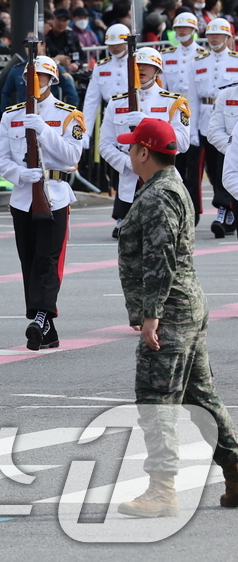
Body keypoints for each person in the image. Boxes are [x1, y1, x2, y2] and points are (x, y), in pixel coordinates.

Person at [115, 116, 238, 517]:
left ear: (145, 152)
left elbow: (161, 257)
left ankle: (162, 490)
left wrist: (152, 315)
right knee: (199, 397)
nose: (129, 152)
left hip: (171, 313)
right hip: (185, 307)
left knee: (156, 401)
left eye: (133, 146)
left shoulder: (157, 196)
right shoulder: (169, 187)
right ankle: (236, 470)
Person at [0, 56, 86, 350]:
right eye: (28, 78)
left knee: (48, 260)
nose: (32, 83)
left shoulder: (68, 115)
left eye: (40, 78)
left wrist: (44, 130)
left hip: (54, 195)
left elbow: (72, 157)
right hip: (23, 196)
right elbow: (1, 160)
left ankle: (40, 318)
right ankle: (46, 326)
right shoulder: (11, 116)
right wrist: (20, 174)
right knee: (30, 260)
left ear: (52, 80)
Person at [101, 47, 191, 226]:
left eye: (147, 65)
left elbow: (182, 143)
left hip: (163, 178)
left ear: (157, 69)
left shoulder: (173, 102)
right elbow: (105, 144)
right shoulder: (117, 102)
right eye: (137, 65)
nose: (141, 69)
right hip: (129, 181)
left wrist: (148, 123)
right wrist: (128, 162)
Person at [161, 11, 207, 215]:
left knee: (193, 167)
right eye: (178, 28)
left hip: (194, 110)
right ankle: (176, 207)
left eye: (185, 28)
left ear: (194, 30)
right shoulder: (167, 55)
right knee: (173, 164)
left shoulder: (202, 55)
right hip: (172, 112)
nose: (181, 31)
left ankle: (194, 209)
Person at [201, 19, 238, 235]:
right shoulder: (227, 94)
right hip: (225, 141)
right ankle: (224, 210)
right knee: (219, 171)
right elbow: (215, 131)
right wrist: (233, 148)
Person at [82, 24, 133, 137]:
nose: (114, 48)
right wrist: (86, 132)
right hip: (110, 118)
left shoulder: (138, 63)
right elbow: (91, 100)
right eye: (111, 45)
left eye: (118, 44)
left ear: (127, 42)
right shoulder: (101, 67)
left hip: (133, 116)